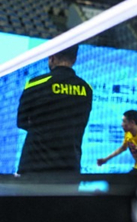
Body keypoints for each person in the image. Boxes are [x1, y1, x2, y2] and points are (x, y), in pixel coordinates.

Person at [17, 44, 93, 175]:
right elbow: (81, 123)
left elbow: (21, 121)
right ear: (74, 59)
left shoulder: (35, 84)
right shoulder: (86, 89)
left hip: (34, 166)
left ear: (52, 57)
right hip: (69, 168)